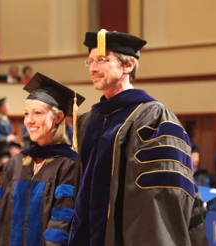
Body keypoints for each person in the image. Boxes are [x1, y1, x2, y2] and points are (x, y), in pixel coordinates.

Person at [69, 30, 201, 246]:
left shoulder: (153, 117)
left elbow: (161, 194)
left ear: (128, 65)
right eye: (90, 61)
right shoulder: (89, 121)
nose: (93, 68)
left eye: (102, 60)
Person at [0, 72, 85, 245]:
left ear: (58, 117)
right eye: (26, 114)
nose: (29, 121)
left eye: (37, 113)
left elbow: (62, 221)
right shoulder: (15, 163)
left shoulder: (68, 164)